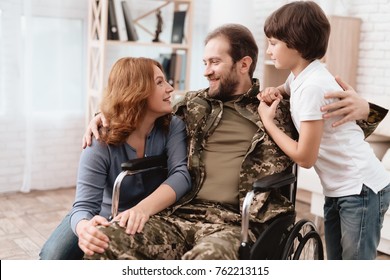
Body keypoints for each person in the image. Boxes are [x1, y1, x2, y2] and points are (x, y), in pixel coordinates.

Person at [82, 24, 386, 260]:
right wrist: (102, 116)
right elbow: (140, 102)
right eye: (204, 62)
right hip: (182, 214)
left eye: (215, 62)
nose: (206, 71)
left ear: (243, 64)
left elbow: (339, 136)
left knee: (206, 262)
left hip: (238, 224)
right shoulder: (190, 104)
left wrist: (364, 108)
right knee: (106, 243)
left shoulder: (278, 107)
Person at [258, 1, 390, 260]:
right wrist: (274, 92)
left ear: (296, 43)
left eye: (274, 43)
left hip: (360, 188)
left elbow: (305, 158)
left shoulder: (312, 85)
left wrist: (269, 123)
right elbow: (286, 90)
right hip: (339, 188)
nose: (269, 49)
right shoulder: (300, 77)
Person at [39, 57, 191, 259]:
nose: (170, 88)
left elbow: (181, 175)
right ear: (137, 90)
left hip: (151, 214)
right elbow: (83, 206)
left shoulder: (173, 126)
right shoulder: (99, 140)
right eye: (160, 82)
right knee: (52, 257)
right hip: (102, 215)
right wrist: (84, 227)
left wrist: (141, 210)